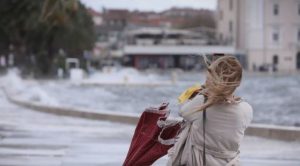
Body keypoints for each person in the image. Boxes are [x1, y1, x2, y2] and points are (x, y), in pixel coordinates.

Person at [167, 55, 253, 166]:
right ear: (238, 83)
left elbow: (183, 112)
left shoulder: (201, 102)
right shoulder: (246, 110)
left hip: (198, 161)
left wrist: (203, 93)